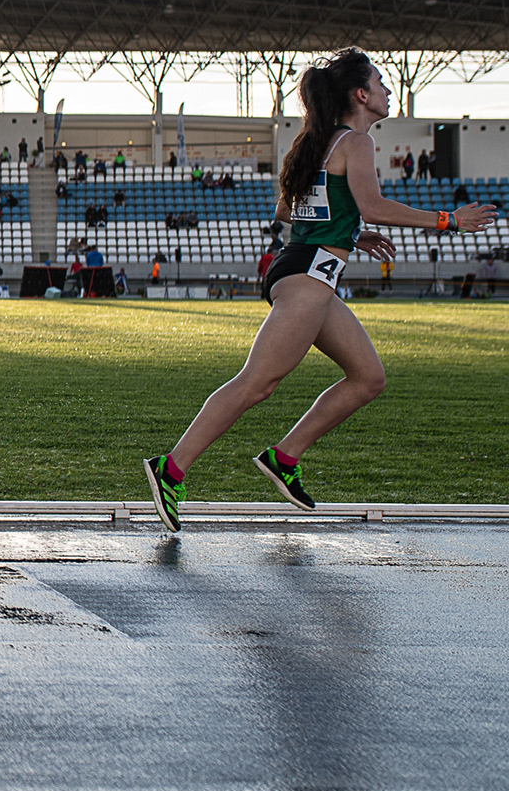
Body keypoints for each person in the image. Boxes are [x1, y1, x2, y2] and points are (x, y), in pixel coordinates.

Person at [142, 49, 498, 532]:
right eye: (380, 82)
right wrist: (449, 220)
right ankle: (171, 467)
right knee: (258, 383)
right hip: (308, 275)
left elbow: (287, 210)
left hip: (308, 271)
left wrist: (350, 232)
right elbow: (373, 205)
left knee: (368, 378)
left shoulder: (318, 141)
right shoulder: (356, 142)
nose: (388, 91)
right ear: (361, 95)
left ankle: (284, 457)